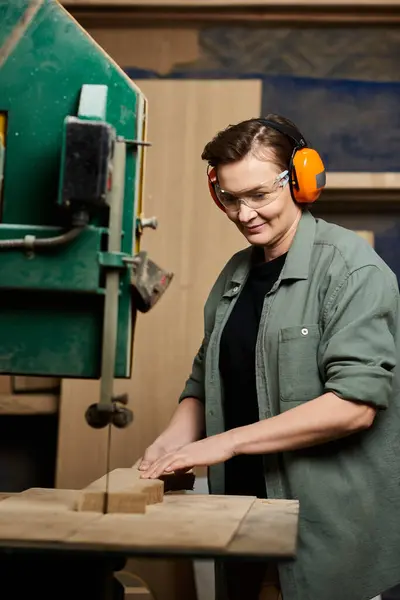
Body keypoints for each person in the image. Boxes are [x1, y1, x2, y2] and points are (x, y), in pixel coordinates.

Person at [138, 114, 400, 600]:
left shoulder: (351, 270)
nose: (244, 214)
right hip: (240, 522)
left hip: (325, 534)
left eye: (259, 195)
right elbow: (204, 380)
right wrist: (170, 447)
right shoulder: (235, 275)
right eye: (231, 199)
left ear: (301, 180)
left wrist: (228, 443)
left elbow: (355, 403)